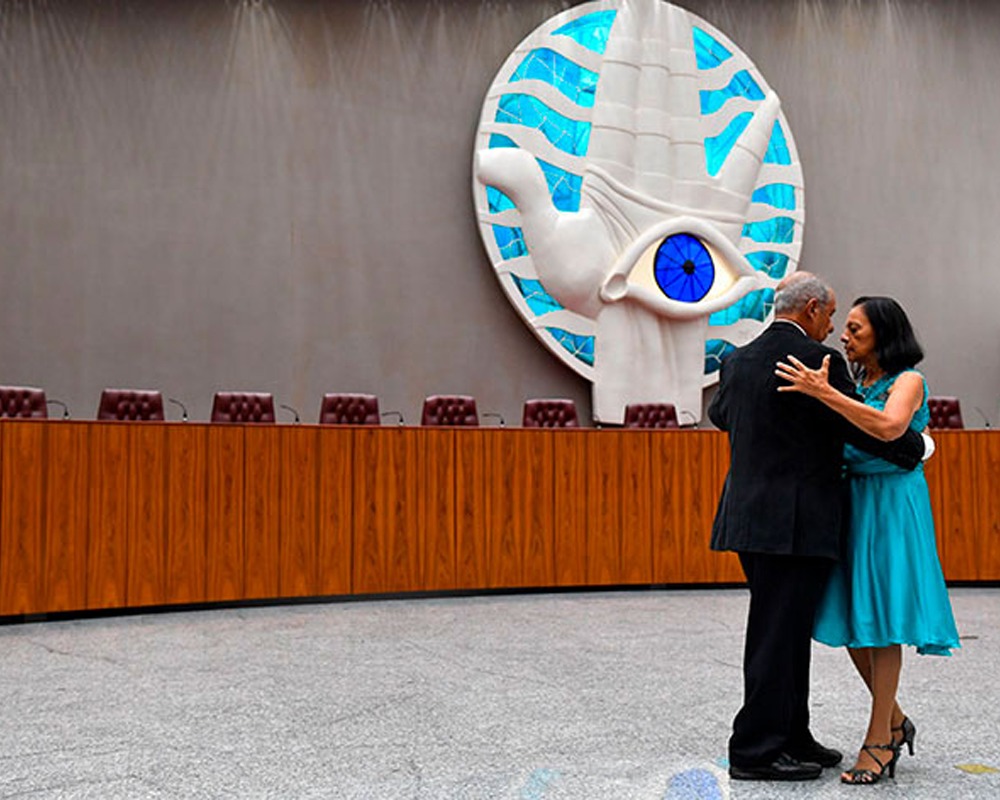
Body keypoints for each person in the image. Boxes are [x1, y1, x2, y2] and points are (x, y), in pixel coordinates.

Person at [708, 273, 928, 782]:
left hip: (749, 515)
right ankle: (756, 749)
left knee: (785, 631)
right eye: (830, 316)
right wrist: (916, 449)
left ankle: (792, 732)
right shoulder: (815, 362)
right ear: (810, 310)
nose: (832, 328)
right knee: (773, 635)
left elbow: (723, 416)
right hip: (797, 519)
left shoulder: (737, 360)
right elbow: (861, 429)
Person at [775, 296, 960, 785]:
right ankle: (895, 720)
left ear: (884, 332)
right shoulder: (859, 382)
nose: (845, 336)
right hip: (853, 503)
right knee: (854, 619)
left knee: (882, 622)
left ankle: (878, 740)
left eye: (855, 329)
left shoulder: (909, 381)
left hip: (893, 506)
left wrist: (824, 394)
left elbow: (889, 426)